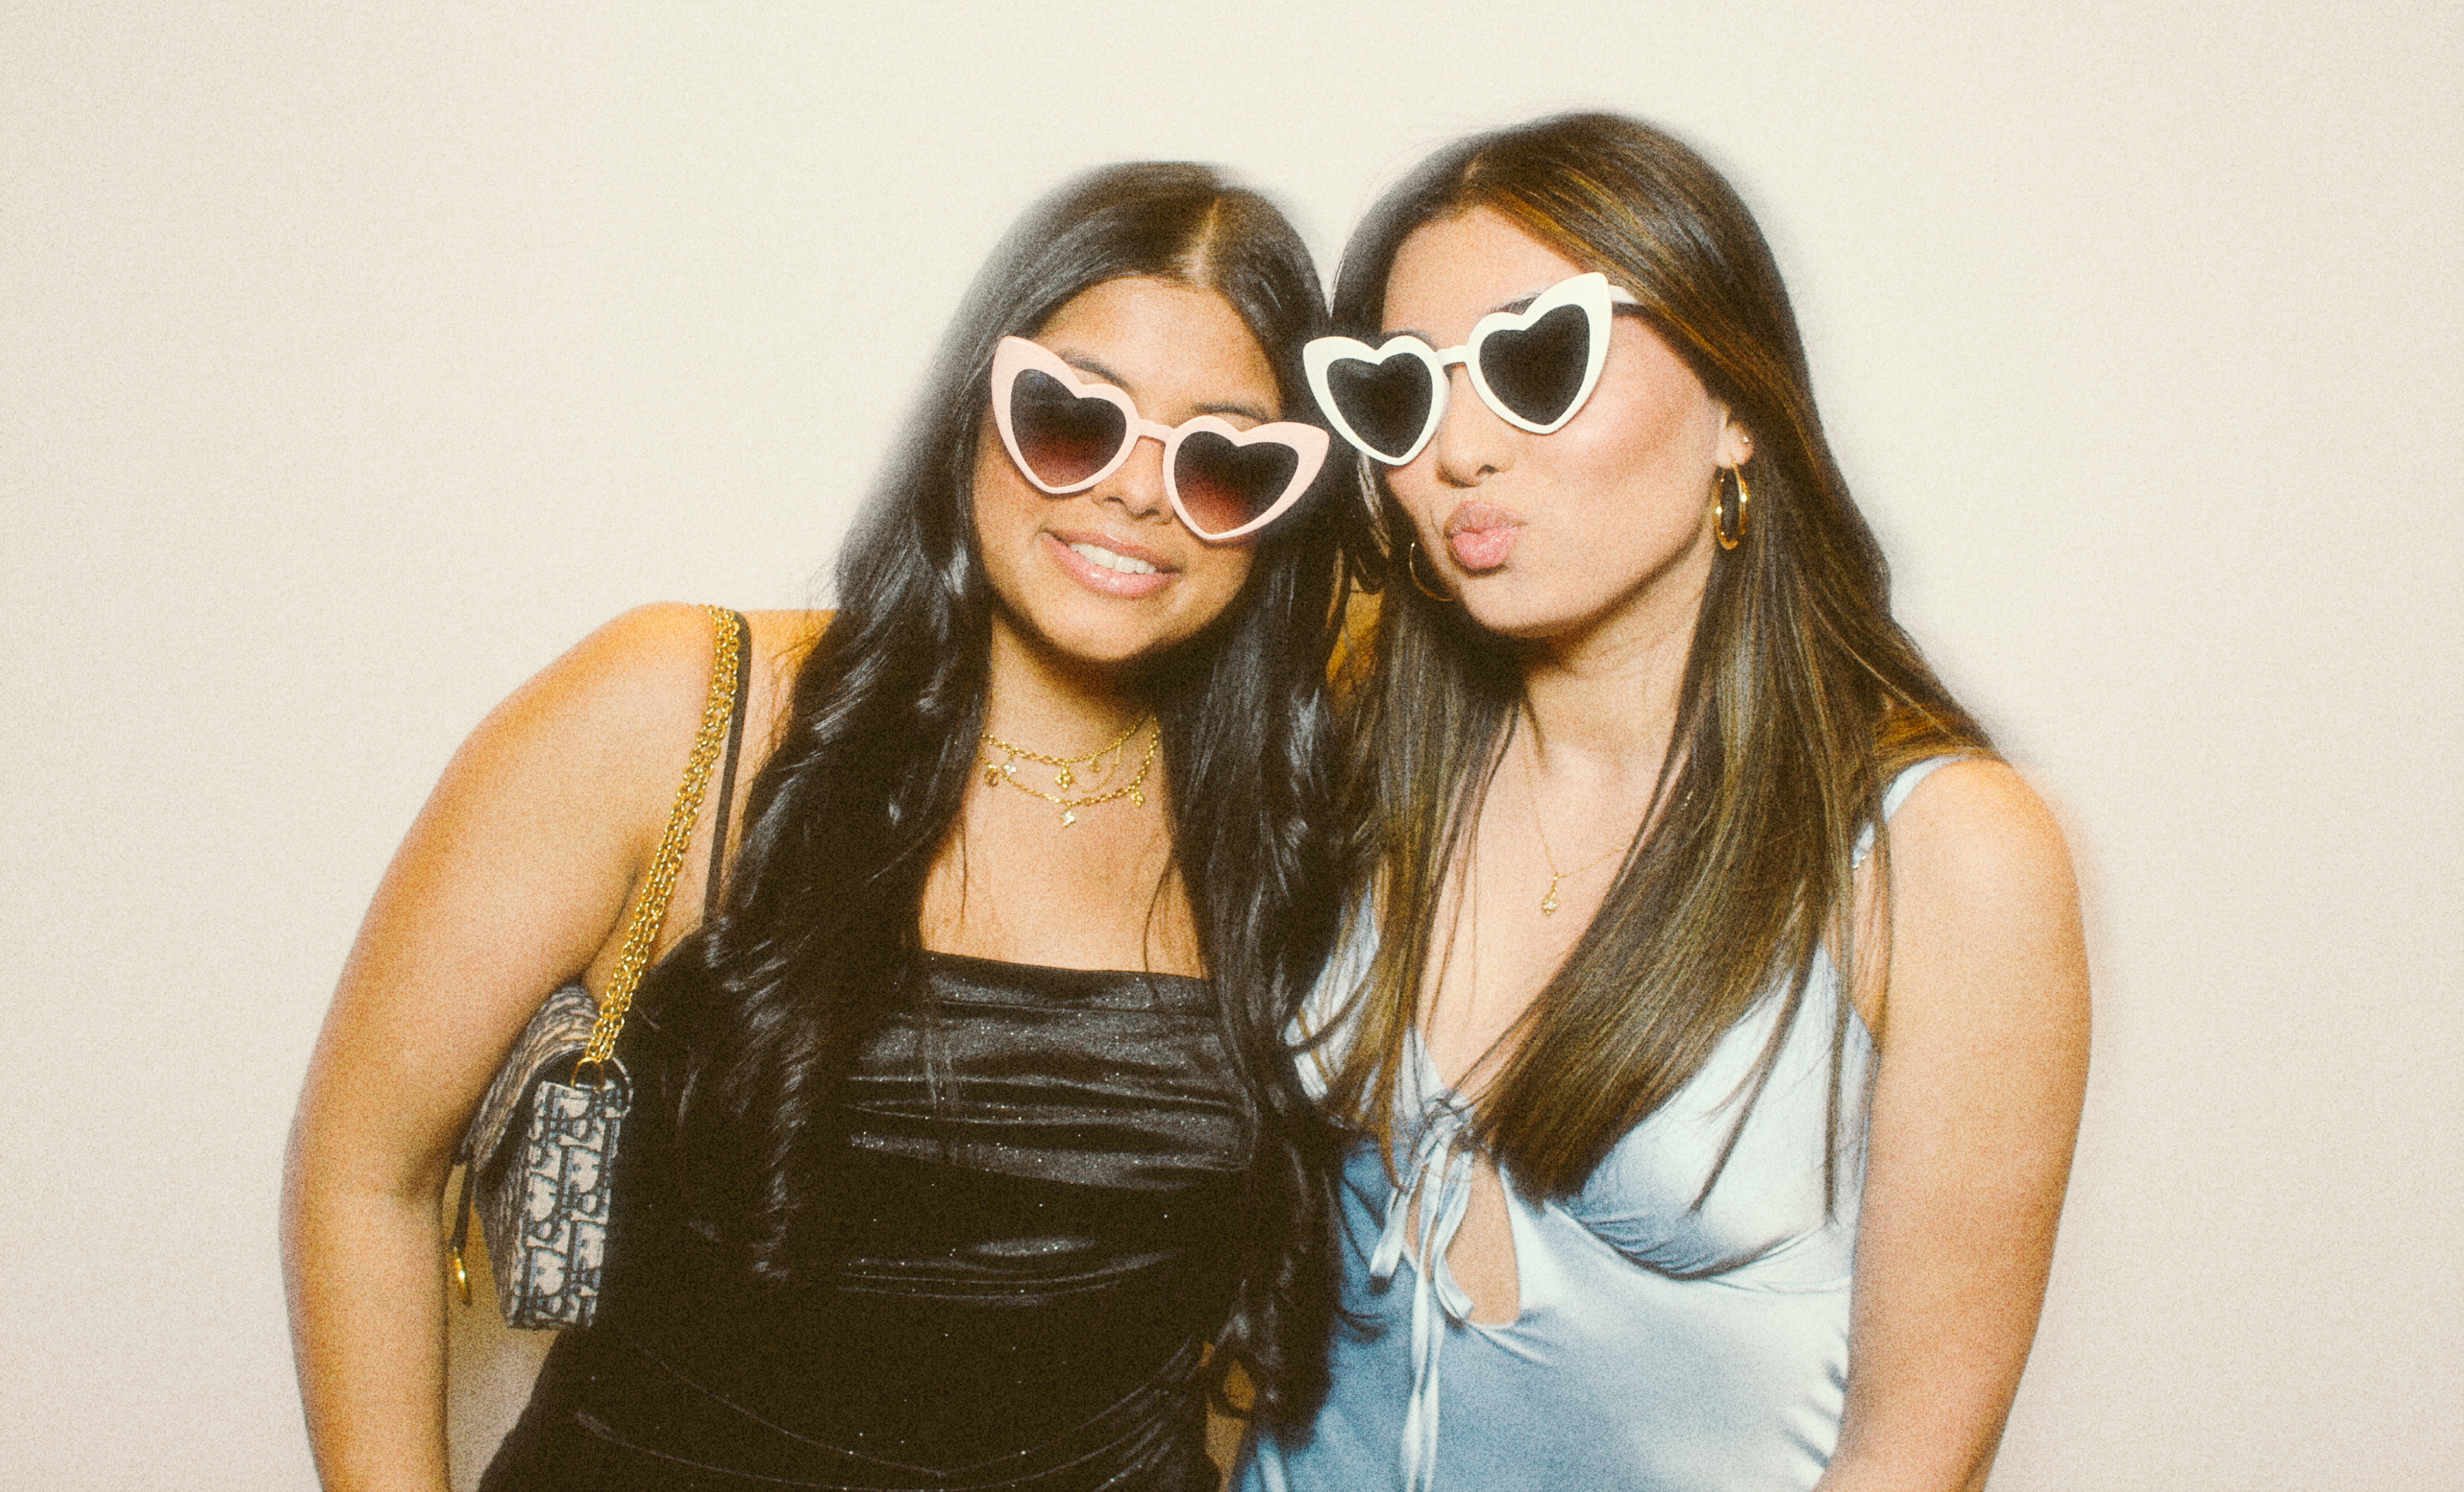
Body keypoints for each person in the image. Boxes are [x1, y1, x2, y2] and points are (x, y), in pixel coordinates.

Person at [284, 162, 1354, 1491]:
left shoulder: (1294, 820)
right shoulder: (678, 710)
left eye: (1227, 460)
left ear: (1284, 512)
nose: (1141, 493)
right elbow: (364, 1169)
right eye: (1075, 418)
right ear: (974, 408)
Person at [1243, 114, 2090, 1492]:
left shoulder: (1946, 855)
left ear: (1738, 405)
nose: (1458, 449)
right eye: (1399, 394)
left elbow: (1913, 1463)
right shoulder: (1360, 752)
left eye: (1534, 361)